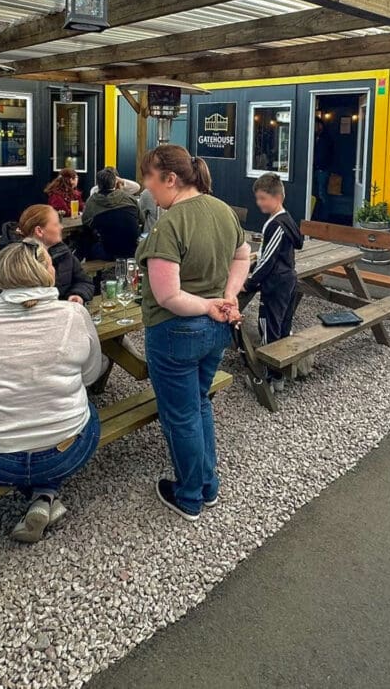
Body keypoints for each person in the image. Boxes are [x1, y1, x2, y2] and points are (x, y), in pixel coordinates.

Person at [0, 240, 104, 542]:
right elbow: (91, 375)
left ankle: (42, 495)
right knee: (88, 415)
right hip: (67, 452)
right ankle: (46, 493)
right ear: (46, 271)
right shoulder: (74, 315)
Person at [136, 145, 251, 520]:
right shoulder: (222, 209)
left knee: (181, 416)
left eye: (150, 179)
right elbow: (243, 254)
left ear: (170, 179)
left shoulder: (169, 225)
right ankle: (208, 485)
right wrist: (229, 296)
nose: (147, 188)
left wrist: (208, 303)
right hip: (215, 331)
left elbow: (167, 295)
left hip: (175, 334)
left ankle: (189, 496)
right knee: (199, 404)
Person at [242, 173, 303, 393]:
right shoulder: (289, 220)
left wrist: (249, 283)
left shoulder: (275, 224)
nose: (258, 203)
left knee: (268, 327)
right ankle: (280, 375)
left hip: (276, 284)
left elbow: (267, 260)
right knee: (283, 326)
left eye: (262, 198)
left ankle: (267, 377)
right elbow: (272, 252)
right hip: (288, 280)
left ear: (276, 197)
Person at [0, 204, 94, 310]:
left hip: (59, 318)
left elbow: (84, 281)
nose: (61, 227)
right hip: (20, 325)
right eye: (56, 224)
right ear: (39, 231)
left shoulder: (63, 252)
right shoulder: (7, 259)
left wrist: (77, 295)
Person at [82, 167, 141, 260]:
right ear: (115, 182)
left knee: (86, 239)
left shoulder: (92, 202)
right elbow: (141, 219)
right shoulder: (129, 199)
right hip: (132, 249)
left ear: (98, 184)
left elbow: (85, 222)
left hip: (108, 251)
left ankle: (87, 270)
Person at [312, 118, 335, 221]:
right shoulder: (315, 137)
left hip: (323, 170)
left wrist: (323, 166)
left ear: (320, 126)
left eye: (316, 125)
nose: (315, 128)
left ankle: (325, 218)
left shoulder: (326, 138)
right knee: (315, 193)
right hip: (315, 169)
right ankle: (316, 215)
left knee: (322, 193)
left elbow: (326, 154)